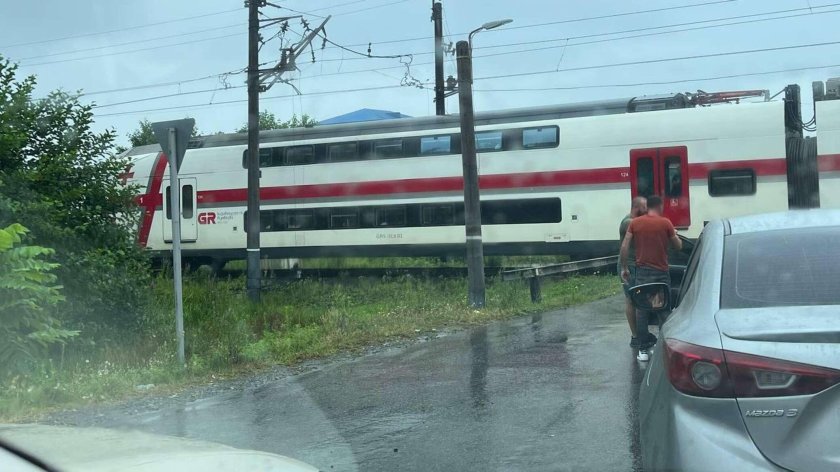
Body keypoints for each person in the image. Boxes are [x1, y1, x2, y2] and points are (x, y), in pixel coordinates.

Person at [619, 195, 681, 362]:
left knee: (641, 310)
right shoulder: (665, 223)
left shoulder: (635, 223)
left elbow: (625, 246)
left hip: (642, 272)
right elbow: (678, 246)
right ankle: (665, 348)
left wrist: (624, 267)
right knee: (663, 308)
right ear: (659, 207)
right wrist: (673, 235)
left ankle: (643, 350)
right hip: (661, 272)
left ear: (648, 207)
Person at [618, 196, 647, 349]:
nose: (647, 209)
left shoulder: (636, 221)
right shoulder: (628, 222)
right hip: (628, 265)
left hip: (636, 264)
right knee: (631, 300)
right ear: (636, 207)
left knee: (638, 299)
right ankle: (636, 336)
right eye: (644, 206)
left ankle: (641, 334)